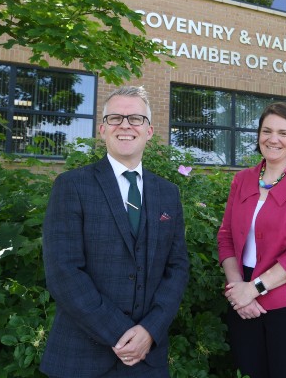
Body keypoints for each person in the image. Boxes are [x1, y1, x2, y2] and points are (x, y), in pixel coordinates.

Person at [40, 86, 189, 378]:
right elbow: (63, 272)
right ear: (102, 129)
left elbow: (177, 267)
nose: (125, 125)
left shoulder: (168, 193)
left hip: (147, 360)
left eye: (135, 118)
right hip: (83, 358)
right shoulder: (71, 186)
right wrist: (122, 334)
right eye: (116, 118)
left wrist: (149, 331)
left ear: (149, 131)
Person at [217, 102, 286, 378]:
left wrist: (252, 290)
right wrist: (237, 291)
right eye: (267, 131)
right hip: (244, 303)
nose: (273, 139)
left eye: (282, 132)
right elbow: (226, 237)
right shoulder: (242, 180)